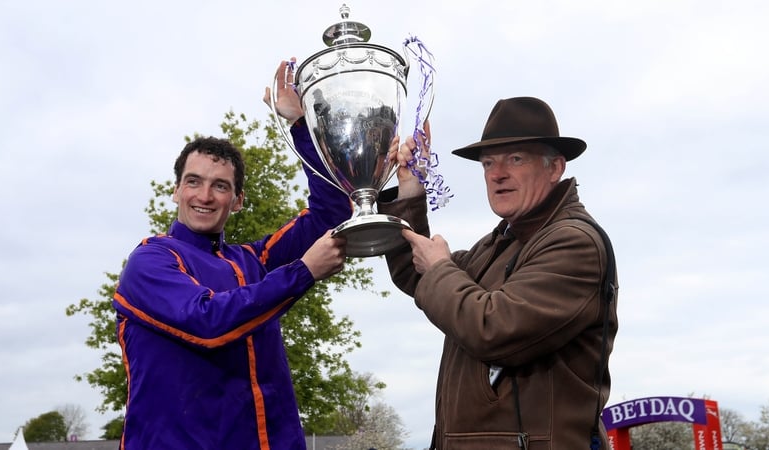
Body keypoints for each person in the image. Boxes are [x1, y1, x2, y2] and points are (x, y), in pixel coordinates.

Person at [112, 60, 351, 449]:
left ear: (237, 200)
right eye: (194, 182)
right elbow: (207, 322)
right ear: (176, 191)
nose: (204, 196)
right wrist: (303, 272)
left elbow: (332, 212)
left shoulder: (251, 261)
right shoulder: (150, 260)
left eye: (220, 186)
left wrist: (298, 124)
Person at [379, 97, 619, 449]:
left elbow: (492, 329)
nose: (497, 173)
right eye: (488, 162)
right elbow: (420, 278)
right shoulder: (497, 245)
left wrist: (441, 266)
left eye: (516, 159)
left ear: (555, 168)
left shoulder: (574, 242)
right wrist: (410, 191)